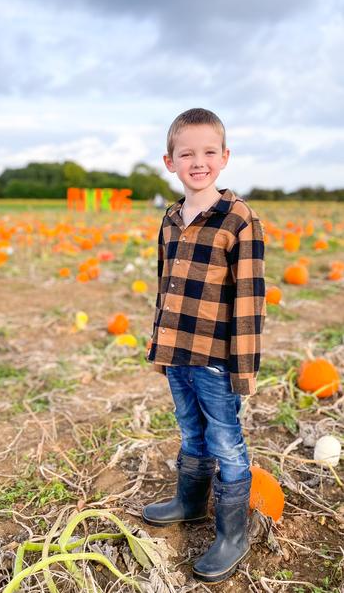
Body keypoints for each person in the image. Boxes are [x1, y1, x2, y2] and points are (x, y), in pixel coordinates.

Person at [143, 108, 266, 584]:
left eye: (209, 152)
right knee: (190, 429)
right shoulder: (171, 218)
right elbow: (164, 285)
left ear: (225, 157)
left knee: (226, 441)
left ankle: (232, 535)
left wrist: (244, 368)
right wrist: (159, 344)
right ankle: (190, 501)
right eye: (186, 153)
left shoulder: (239, 220)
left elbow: (250, 299)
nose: (199, 161)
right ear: (169, 161)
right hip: (177, 352)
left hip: (217, 358)